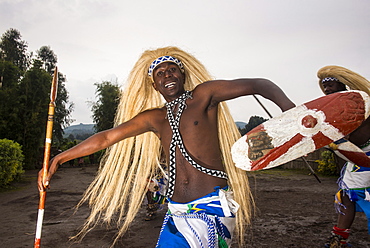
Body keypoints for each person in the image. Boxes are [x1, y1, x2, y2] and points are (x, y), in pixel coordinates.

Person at [38, 46, 295, 247]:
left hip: (210, 208)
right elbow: (105, 138)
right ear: (154, 84)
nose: (167, 75)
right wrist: (57, 160)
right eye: (160, 73)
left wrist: (289, 110)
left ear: (182, 74)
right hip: (175, 213)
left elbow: (258, 84)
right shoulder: (155, 118)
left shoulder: (204, 96)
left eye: (172, 70)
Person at [317, 65, 370, 247]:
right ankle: (339, 239)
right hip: (355, 160)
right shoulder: (332, 109)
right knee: (347, 196)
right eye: (325, 85)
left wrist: (335, 142)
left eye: (331, 84)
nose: (327, 88)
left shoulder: (359, 103)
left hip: (365, 156)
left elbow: (356, 137)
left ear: (344, 84)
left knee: (355, 195)